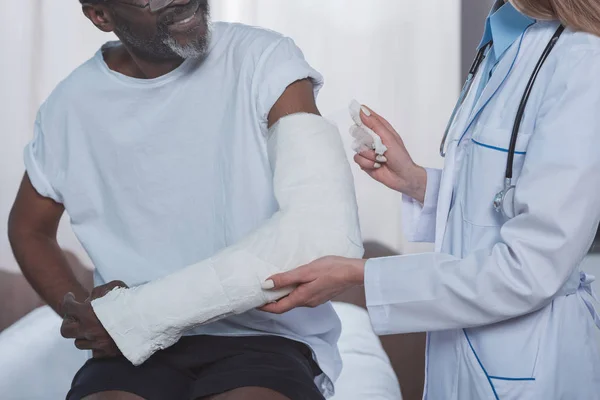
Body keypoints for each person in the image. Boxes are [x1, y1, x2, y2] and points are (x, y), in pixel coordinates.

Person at [7, 0, 364, 399]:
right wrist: (85, 313)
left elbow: (319, 233)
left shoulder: (265, 59)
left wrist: (135, 316)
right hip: (133, 350)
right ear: (101, 16)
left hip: (266, 337)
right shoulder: (69, 105)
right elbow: (28, 228)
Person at [262, 1, 600, 399]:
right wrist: (420, 183)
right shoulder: (507, 34)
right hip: (467, 347)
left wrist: (363, 276)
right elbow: (506, 198)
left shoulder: (584, 63)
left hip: (532, 366)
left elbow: (531, 268)